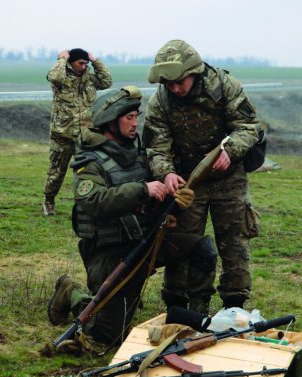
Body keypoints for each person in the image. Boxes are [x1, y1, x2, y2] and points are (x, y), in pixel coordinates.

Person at [47, 86, 217, 353]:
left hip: (146, 243)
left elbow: (156, 205)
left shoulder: (139, 154)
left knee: (202, 248)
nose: (136, 123)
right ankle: (72, 293)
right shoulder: (89, 161)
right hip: (109, 252)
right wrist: (142, 189)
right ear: (110, 121)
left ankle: (199, 320)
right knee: (108, 336)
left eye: (137, 116)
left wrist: (177, 203)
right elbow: (93, 203)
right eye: (129, 117)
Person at [143, 40, 261, 312]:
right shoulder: (160, 100)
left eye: (179, 82)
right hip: (186, 183)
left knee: (234, 243)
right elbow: (157, 145)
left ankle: (235, 304)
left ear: (194, 71)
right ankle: (182, 305)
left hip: (228, 180)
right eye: (169, 84)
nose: (175, 89)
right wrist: (167, 173)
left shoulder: (224, 87)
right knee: (182, 244)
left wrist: (230, 151)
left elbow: (248, 126)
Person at [42, 48, 113, 216]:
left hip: (86, 135)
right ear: (71, 62)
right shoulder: (61, 78)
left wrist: (95, 60)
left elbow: (107, 81)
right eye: (80, 63)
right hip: (63, 134)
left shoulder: (89, 78)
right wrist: (62, 59)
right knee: (57, 172)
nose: (83, 66)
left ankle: (84, 205)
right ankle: (48, 200)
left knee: (87, 172)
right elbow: (54, 76)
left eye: (85, 63)